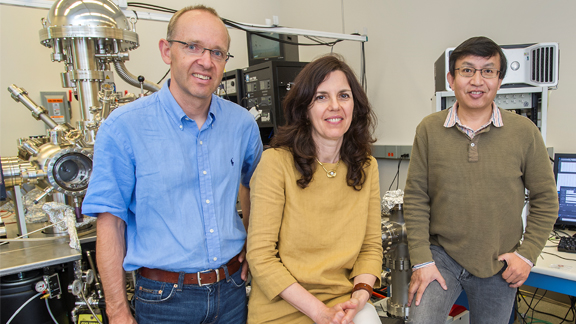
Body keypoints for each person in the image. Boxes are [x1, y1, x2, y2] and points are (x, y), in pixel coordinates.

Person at [82, 5, 262, 324]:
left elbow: (256, 186)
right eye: (192, 46)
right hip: (165, 300)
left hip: (234, 290)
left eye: (217, 52)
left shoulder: (241, 124)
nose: (205, 61)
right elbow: (110, 223)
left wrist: (253, 241)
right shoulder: (124, 127)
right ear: (167, 51)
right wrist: (118, 311)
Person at [403, 36, 559, 324]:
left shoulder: (524, 133)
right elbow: (415, 199)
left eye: (488, 71)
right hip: (442, 256)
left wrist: (526, 255)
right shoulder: (429, 129)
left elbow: (546, 199)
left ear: (499, 81)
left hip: (498, 260)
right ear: (451, 79)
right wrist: (422, 260)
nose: (477, 80)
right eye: (467, 70)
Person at [246, 54, 383, 324]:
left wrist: (359, 298)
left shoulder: (366, 166)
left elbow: (370, 247)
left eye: (344, 95)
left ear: (355, 105)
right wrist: (320, 312)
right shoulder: (276, 163)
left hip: (343, 303)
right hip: (283, 308)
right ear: (304, 108)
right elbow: (261, 256)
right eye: (321, 97)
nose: (335, 106)